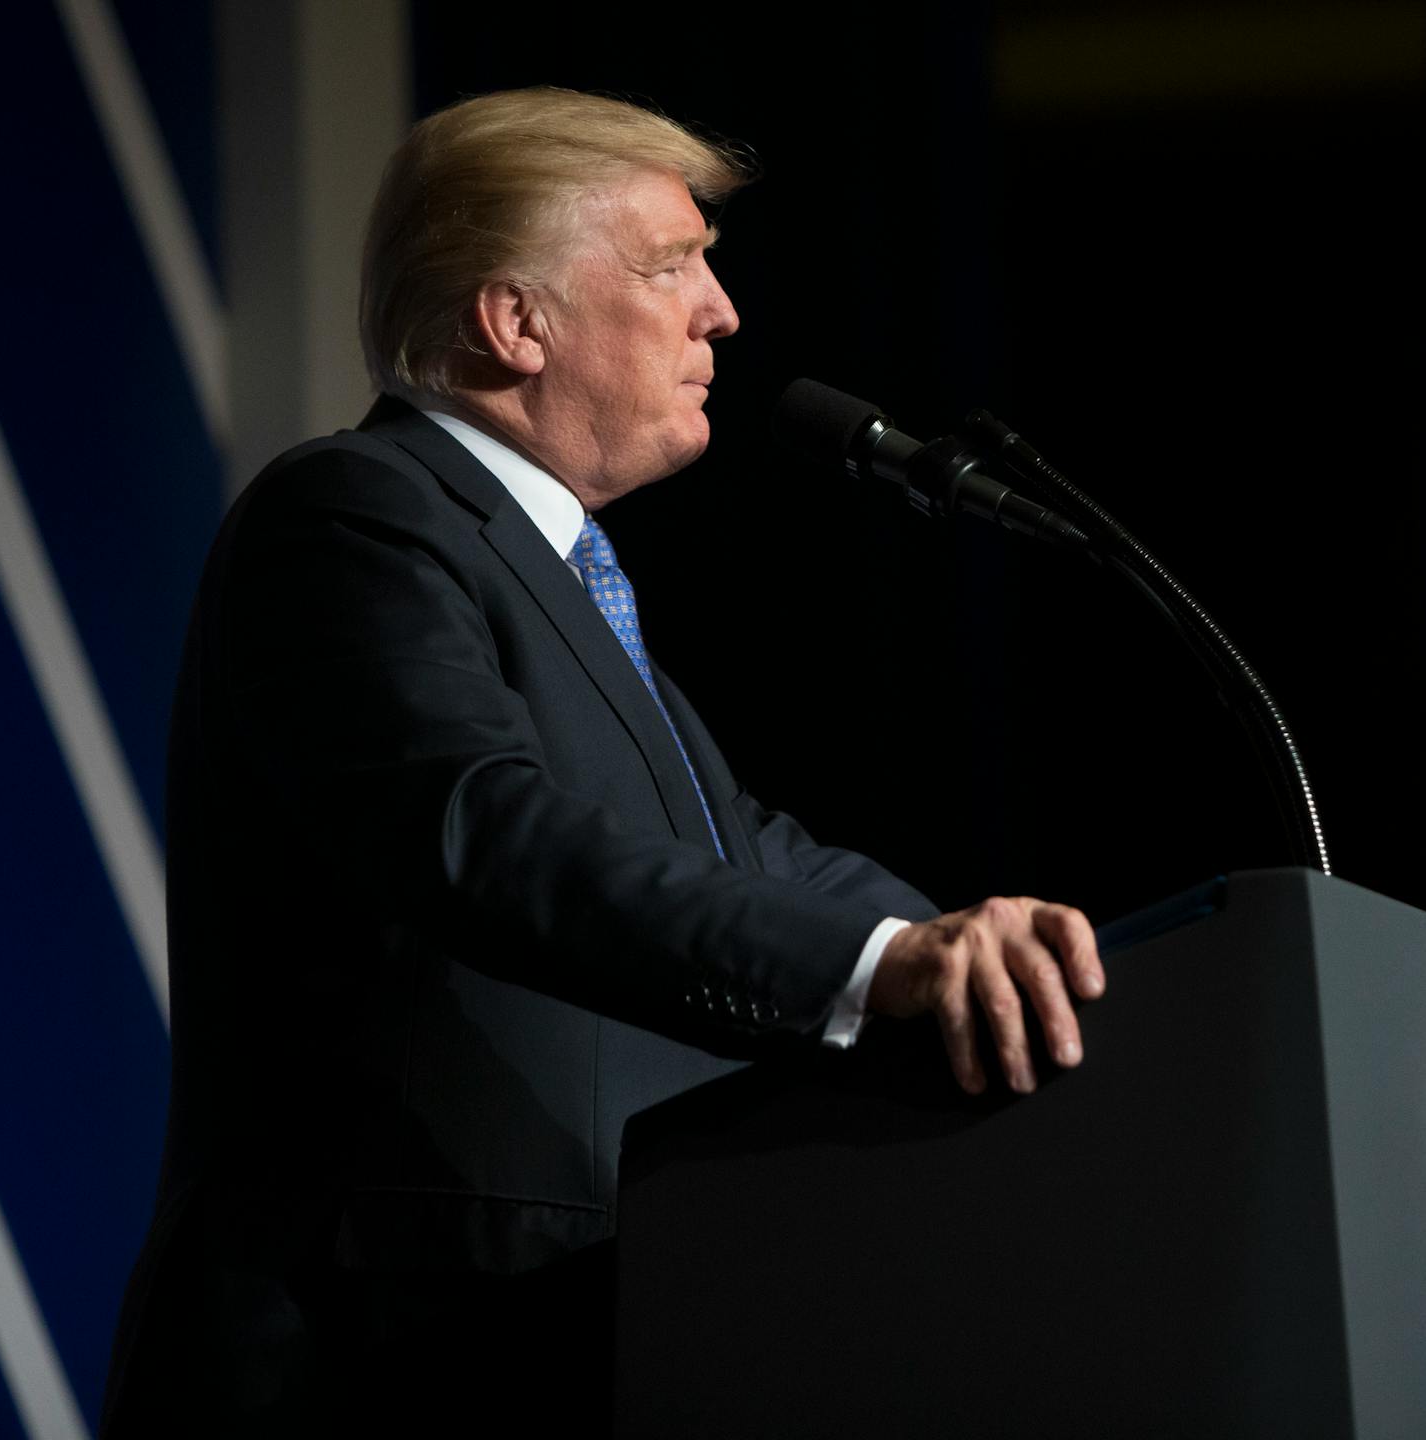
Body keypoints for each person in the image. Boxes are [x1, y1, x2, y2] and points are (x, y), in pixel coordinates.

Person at [100, 87, 1103, 1435]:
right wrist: (882, 968)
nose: (721, 312)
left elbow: (745, 855)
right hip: (381, 1349)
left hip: (592, 1331)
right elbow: (479, 827)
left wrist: (992, 952)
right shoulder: (353, 515)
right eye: (671, 263)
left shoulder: (568, 590)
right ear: (516, 322)